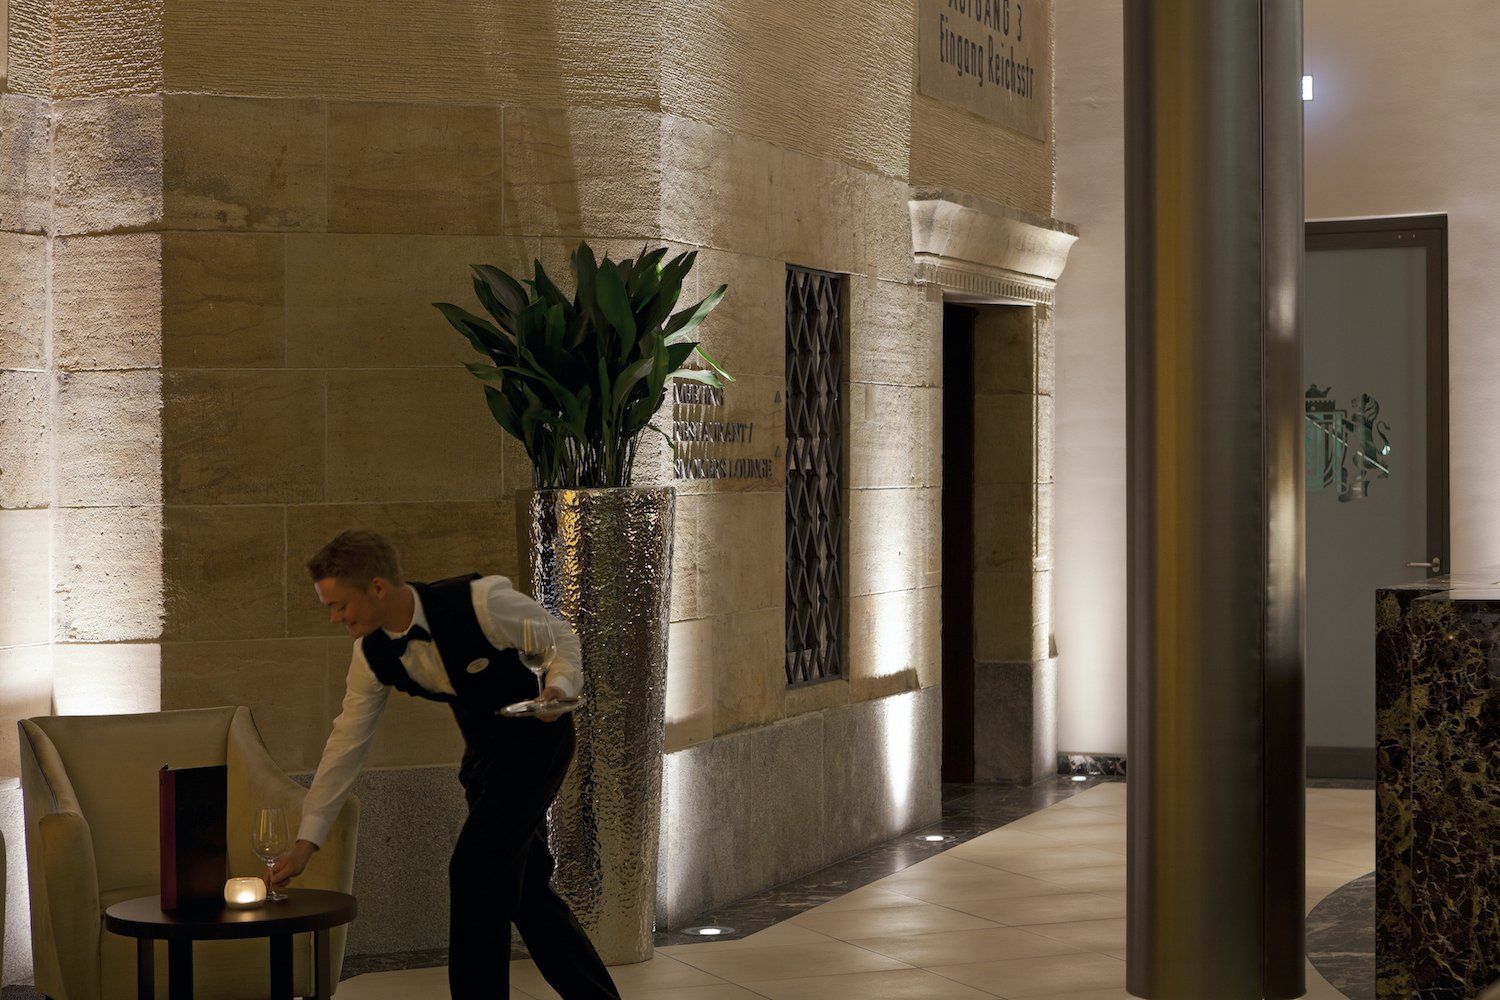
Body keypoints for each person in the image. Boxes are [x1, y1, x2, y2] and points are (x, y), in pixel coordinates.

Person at [270, 529, 622, 999]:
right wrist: (306, 842)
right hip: (484, 762)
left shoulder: (480, 601)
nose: (335, 618)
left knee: (474, 869)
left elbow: (558, 637)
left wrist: (558, 688)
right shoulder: (371, 654)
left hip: (539, 742)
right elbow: (346, 742)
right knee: (527, 894)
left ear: (377, 587)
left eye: (340, 605)